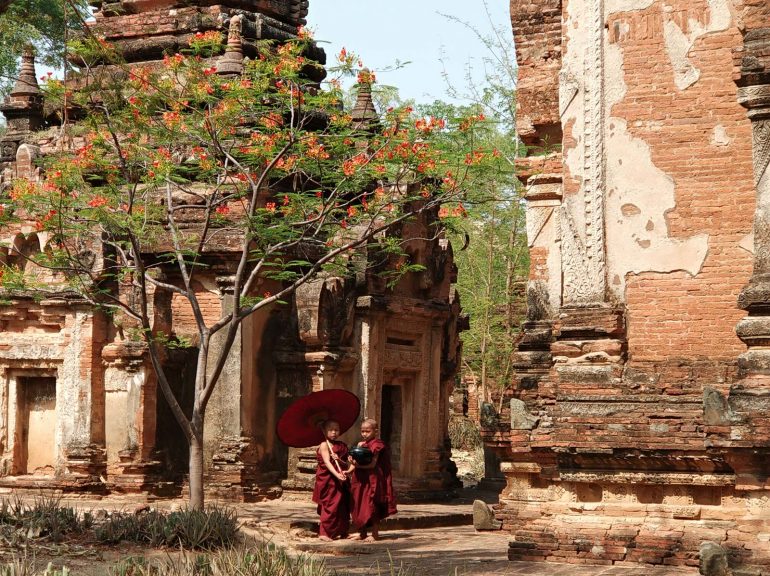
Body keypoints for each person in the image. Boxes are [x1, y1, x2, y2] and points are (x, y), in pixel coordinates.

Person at [348, 418, 398, 542]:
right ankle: (362, 532)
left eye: (367, 431)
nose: (364, 434)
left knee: (372, 504)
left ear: (375, 431)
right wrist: (349, 467)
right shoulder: (361, 445)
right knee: (358, 503)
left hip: (372, 479)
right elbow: (356, 461)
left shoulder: (378, 445)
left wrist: (357, 465)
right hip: (360, 479)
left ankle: (375, 533)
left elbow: (372, 464)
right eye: (362, 431)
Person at [312, 419, 351, 541]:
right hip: (328, 479)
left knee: (342, 505)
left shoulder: (342, 446)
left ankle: (341, 531)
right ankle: (324, 533)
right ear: (324, 431)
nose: (334, 432)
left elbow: (347, 463)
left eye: (337, 429)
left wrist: (339, 460)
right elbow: (327, 463)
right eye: (331, 430)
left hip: (341, 478)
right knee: (330, 505)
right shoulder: (324, 445)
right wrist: (336, 475)